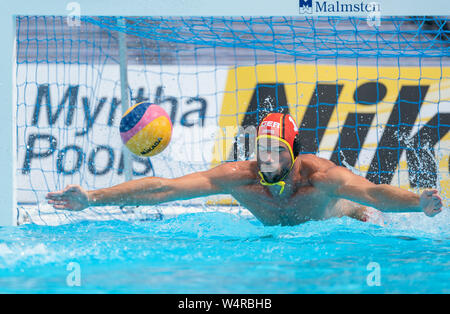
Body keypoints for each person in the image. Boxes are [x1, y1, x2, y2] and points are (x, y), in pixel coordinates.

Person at [46, 113, 444, 226]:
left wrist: (417, 202)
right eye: (261, 150)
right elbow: (164, 189)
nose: (266, 158)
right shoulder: (241, 176)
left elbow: (374, 193)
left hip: (352, 220)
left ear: (294, 152)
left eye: (276, 151)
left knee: (367, 215)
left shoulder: (321, 177)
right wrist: (93, 198)